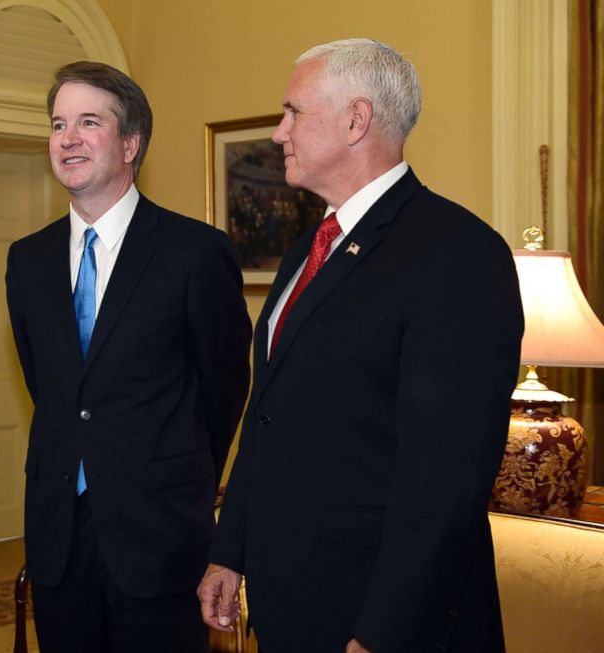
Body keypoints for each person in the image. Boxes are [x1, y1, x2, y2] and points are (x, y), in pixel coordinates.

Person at [198, 39, 524, 653]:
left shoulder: (458, 254)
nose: (277, 132)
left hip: (375, 612)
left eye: (293, 111)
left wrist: (385, 632)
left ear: (356, 119)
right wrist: (231, 551)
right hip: (290, 596)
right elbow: (267, 414)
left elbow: (445, 476)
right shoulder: (310, 246)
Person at [6, 61, 252, 653]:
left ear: (130, 143)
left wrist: (177, 477)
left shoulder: (194, 252)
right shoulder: (27, 260)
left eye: (88, 122)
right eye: (59, 123)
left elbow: (225, 391)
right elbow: (52, 385)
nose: (68, 138)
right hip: (59, 534)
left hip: (160, 533)